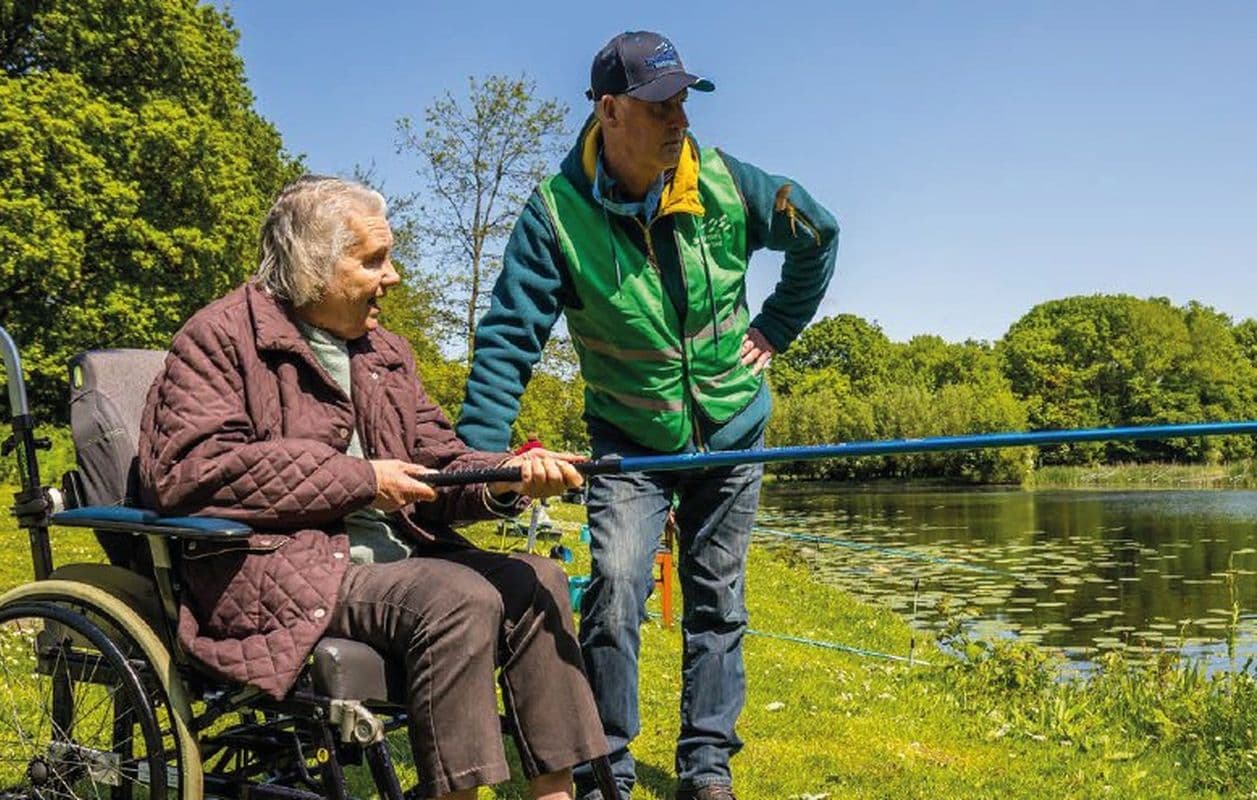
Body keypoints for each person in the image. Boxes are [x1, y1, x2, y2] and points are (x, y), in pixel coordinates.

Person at [456, 31, 839, 800]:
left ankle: (706, 766)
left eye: (684, 103)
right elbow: (507, 339)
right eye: (660, 105)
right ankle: (609, 769)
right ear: (609, 109)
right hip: (627, 440)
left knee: (717, 599)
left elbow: (819, 233)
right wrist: (475, 460)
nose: (679, 121)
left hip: (732, 430)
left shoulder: (727, 182)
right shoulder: (555, 216)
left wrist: (776, 326)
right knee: (616, 590)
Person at [138, 175, 608, 800]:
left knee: (538, 580)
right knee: (456, 596)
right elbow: (191, 471)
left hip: (396, 561)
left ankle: (556, 793)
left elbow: (440, 459)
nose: (392, 277)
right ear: (314, 265)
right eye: (373, 261)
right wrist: (360, 481)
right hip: (281, 565)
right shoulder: (219, 339)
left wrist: (507, 477)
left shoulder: (383, 351)